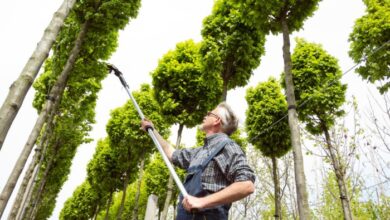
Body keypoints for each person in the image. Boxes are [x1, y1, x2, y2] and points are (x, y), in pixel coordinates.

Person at [141, 102, 255, 220]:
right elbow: (172, 154)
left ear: (217, 121)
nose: (205, 115)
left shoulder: (228, 147)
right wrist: (152, 130)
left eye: (209, 113)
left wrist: (202, 202)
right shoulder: (198, 152)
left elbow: (246, 185)